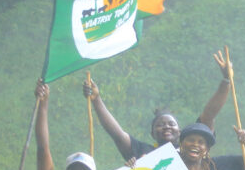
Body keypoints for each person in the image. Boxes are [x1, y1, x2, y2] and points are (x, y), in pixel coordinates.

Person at [84, 50, 233, 162]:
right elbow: (117, 134)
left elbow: (209, 115)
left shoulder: (192, 149)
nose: (166, 127)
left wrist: (226, 80)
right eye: (160, 125)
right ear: (152, 134)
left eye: (171, 124)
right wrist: (96, 100)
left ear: (180, 132)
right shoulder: (142, 151)